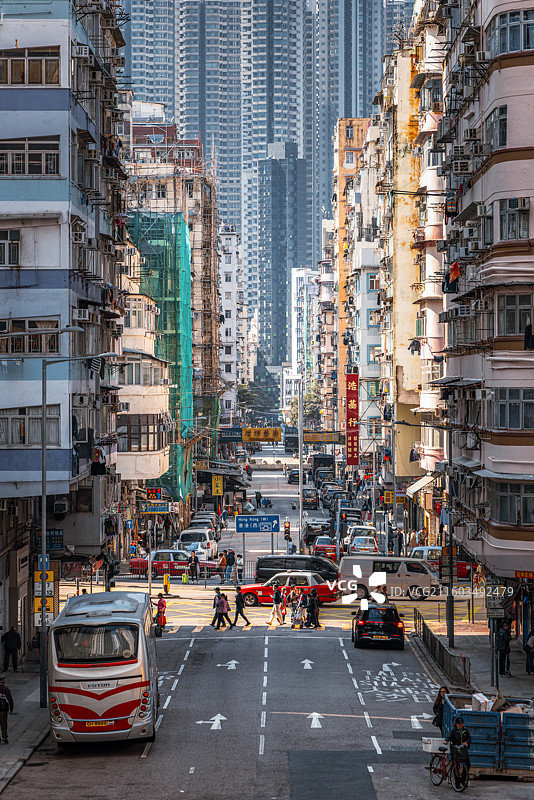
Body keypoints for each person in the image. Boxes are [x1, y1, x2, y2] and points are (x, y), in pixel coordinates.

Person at [0, 675, 14, 744]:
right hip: (3, 709)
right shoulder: (6, 689)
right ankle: (4, 736)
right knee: (3, 723)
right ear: (4, 681)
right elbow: (10, 699)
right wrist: (11, 708)